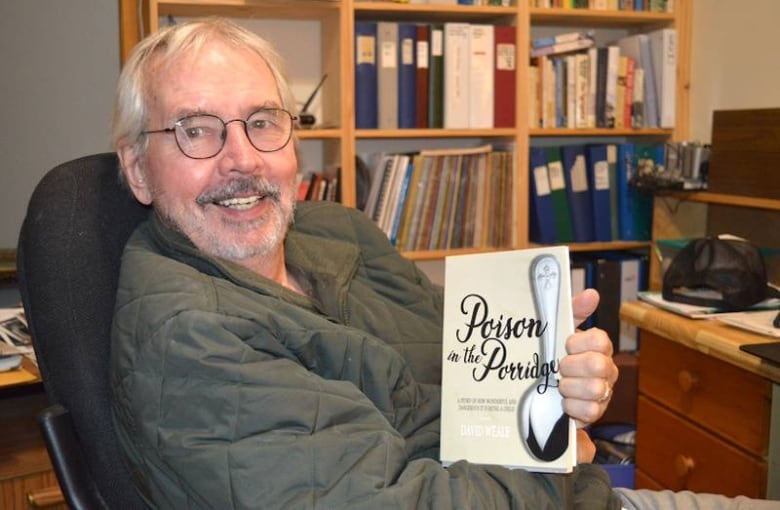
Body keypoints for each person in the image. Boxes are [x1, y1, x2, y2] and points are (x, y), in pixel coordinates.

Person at [110, 19, 778, 510]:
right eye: (197, 130)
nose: (244, 160)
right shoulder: (189, 339)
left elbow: (474, 386)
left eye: (263, 121)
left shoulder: (336, 230)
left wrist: (559, 383)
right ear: (138, 169)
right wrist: (551, 459)